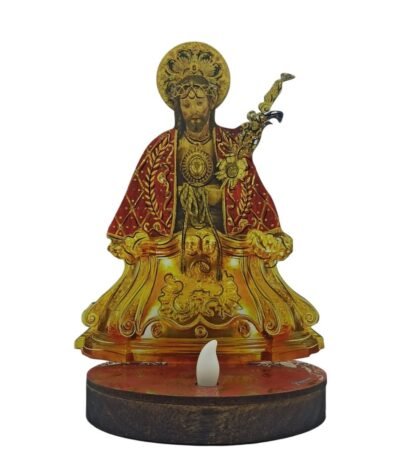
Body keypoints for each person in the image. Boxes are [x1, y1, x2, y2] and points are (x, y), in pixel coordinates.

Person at [75, 42, 323, 362]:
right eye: (187, 103)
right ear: (177, 107)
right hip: (171, 249)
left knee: (251, 266)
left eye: (200, 101)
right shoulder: (162, 148)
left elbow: (250, 196)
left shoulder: (231, 146)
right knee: (149, 267)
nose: (194, 110)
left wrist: (223, 197)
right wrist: (182, 203)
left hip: (226, 247)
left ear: (212, 103)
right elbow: (144, 199)